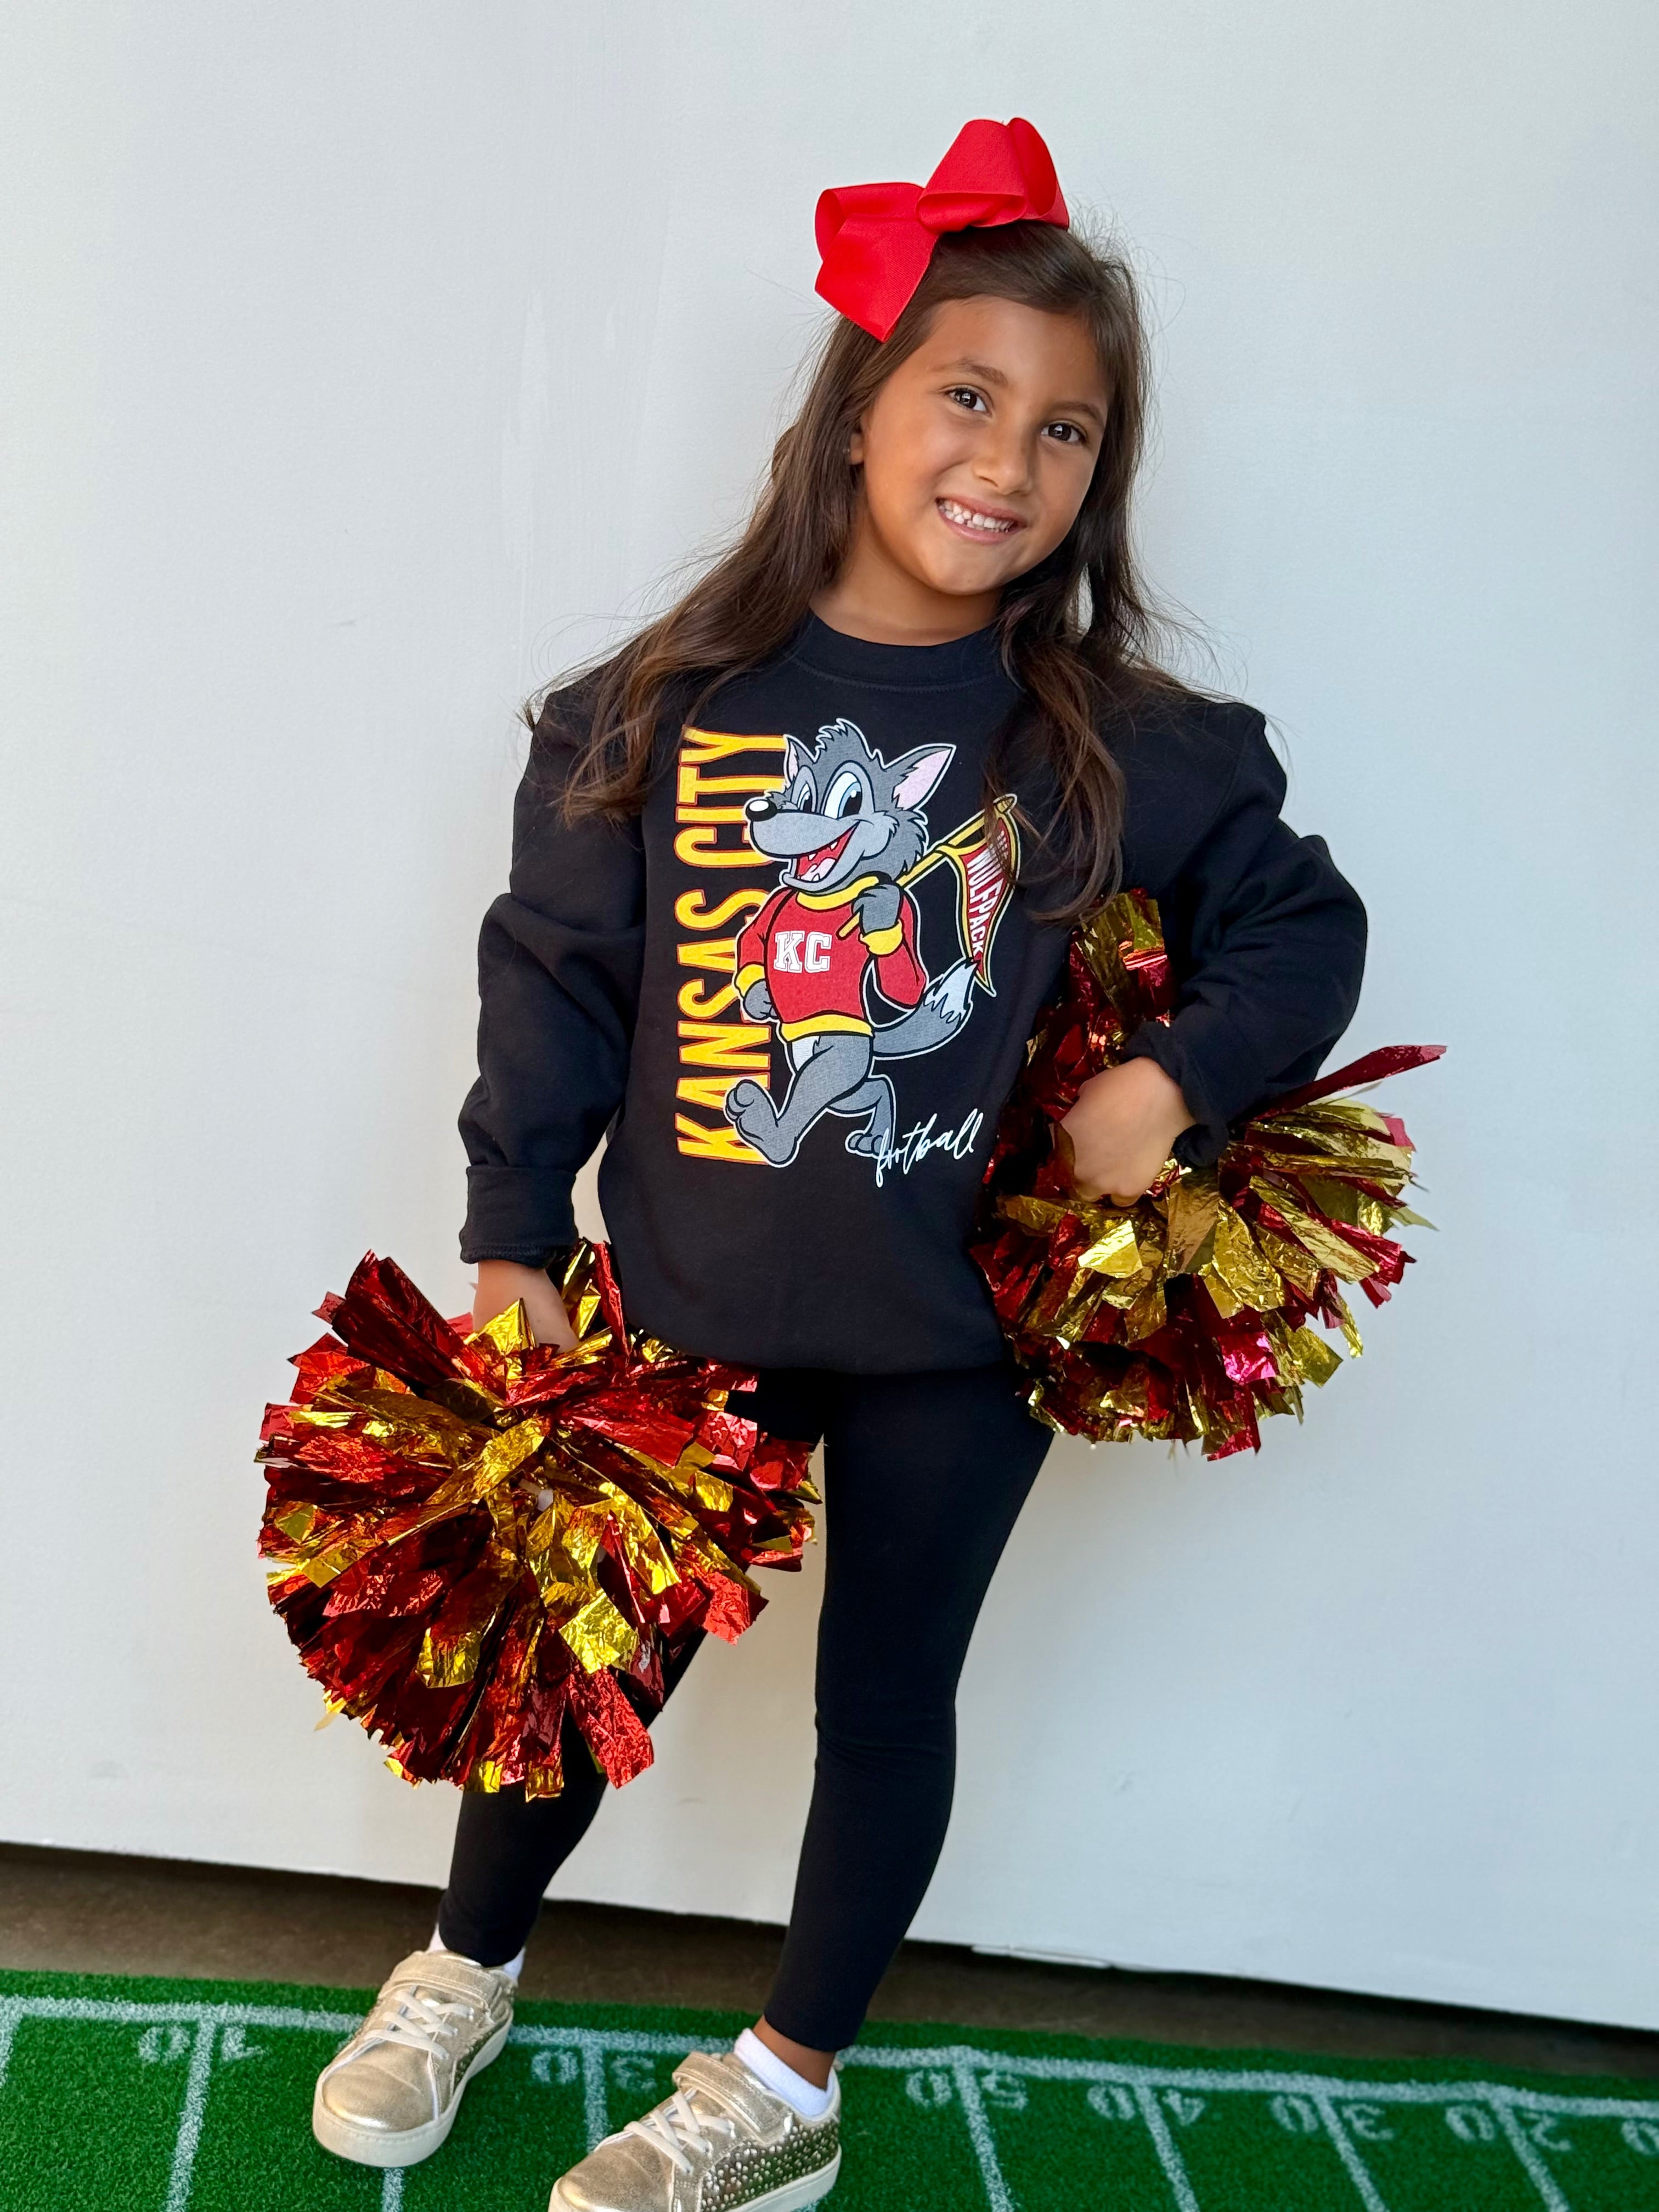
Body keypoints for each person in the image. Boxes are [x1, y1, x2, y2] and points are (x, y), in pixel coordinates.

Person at [309, 116, 1368, 2211]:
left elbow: (1303, 927)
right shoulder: (660, 706)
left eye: (1066, 429)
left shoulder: (1120, 740)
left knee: (889, 1702)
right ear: (859, 414)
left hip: (957, 1334)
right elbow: (555, 975)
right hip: (688, 1299)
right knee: (585, 1650)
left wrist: (1171, 1082)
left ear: (1098, 475)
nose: (1008, 458)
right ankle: (463, 1965)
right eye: (968, 395)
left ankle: (785, 2091)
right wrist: (514, 1232)